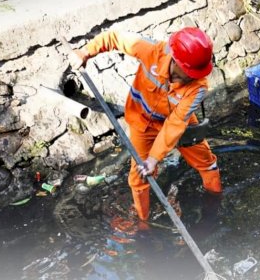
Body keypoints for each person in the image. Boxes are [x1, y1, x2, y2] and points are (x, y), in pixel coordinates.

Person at [72, 28, 222, 222]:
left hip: (178, 123)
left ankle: (215, 204)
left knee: (207, 163)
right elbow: (115, 37)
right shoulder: (152, 50)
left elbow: (175, 124)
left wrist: (155, 158)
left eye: (197, 72)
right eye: (189, 72)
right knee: (139, 177)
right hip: (142, 124)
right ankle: (143, 224)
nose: (194, 77)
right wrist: (85, 52)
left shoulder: (199, 86)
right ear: (175, 59)